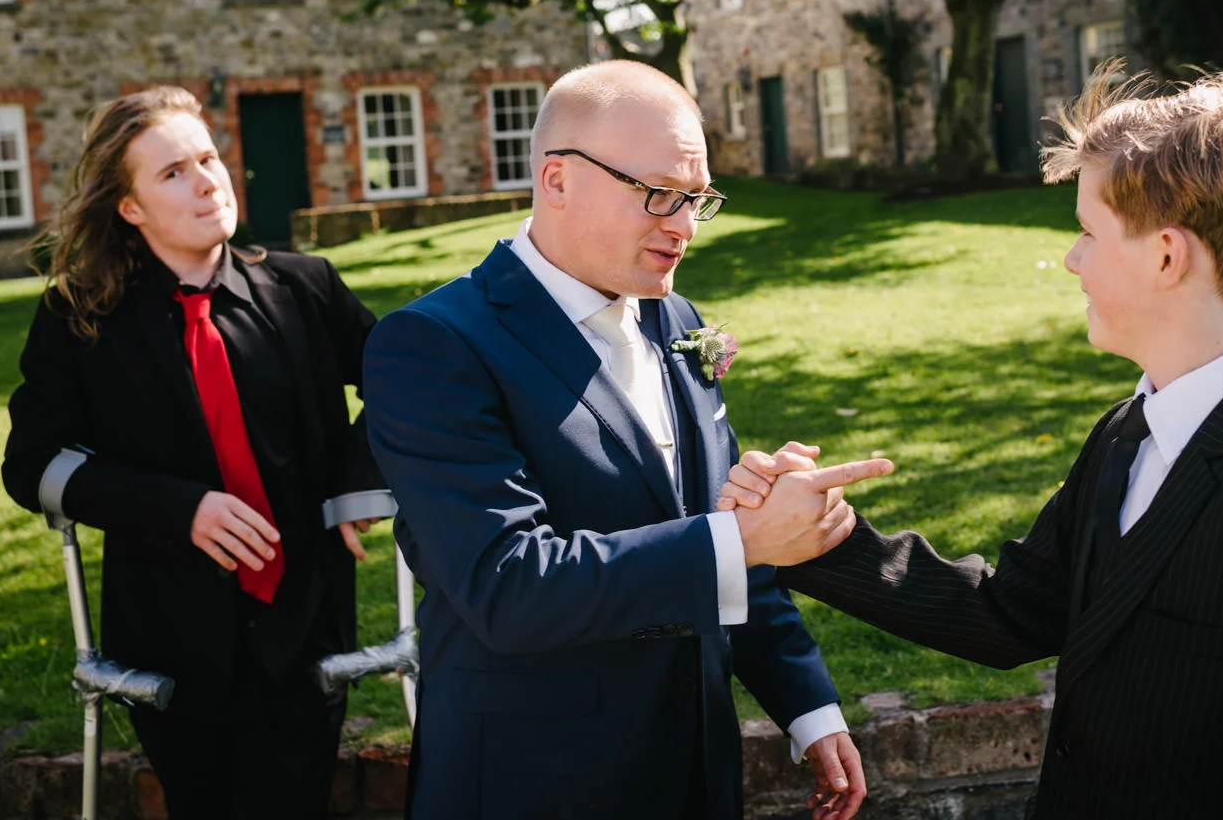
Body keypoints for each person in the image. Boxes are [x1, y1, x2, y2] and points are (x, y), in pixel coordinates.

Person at [721, 67, 1223, 819]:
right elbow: (1012, 611)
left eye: (1088, 232)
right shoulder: (1126, 434)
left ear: (1165, 256)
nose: (1069, 258)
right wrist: (819, 540)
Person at [362, 60, 893, 820]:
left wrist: (808, 706)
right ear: (556, 180)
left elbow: (716, 523)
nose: (680, 224)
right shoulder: (433, 345)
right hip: (534, 782)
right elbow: (507, 583)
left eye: (696, 199)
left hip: (693, 769)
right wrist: (742, 537)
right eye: (657, 194)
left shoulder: (677, 320)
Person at [1, 87, 384, 820]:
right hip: (168, 635)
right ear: (130, 208)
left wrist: (355, 480)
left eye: (208, 158)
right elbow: (30, 462)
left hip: (304, 619)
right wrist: (177, 508)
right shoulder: (79, 317)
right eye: (173, 171)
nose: (207, 180)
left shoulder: (305, 287)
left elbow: (406, 385)